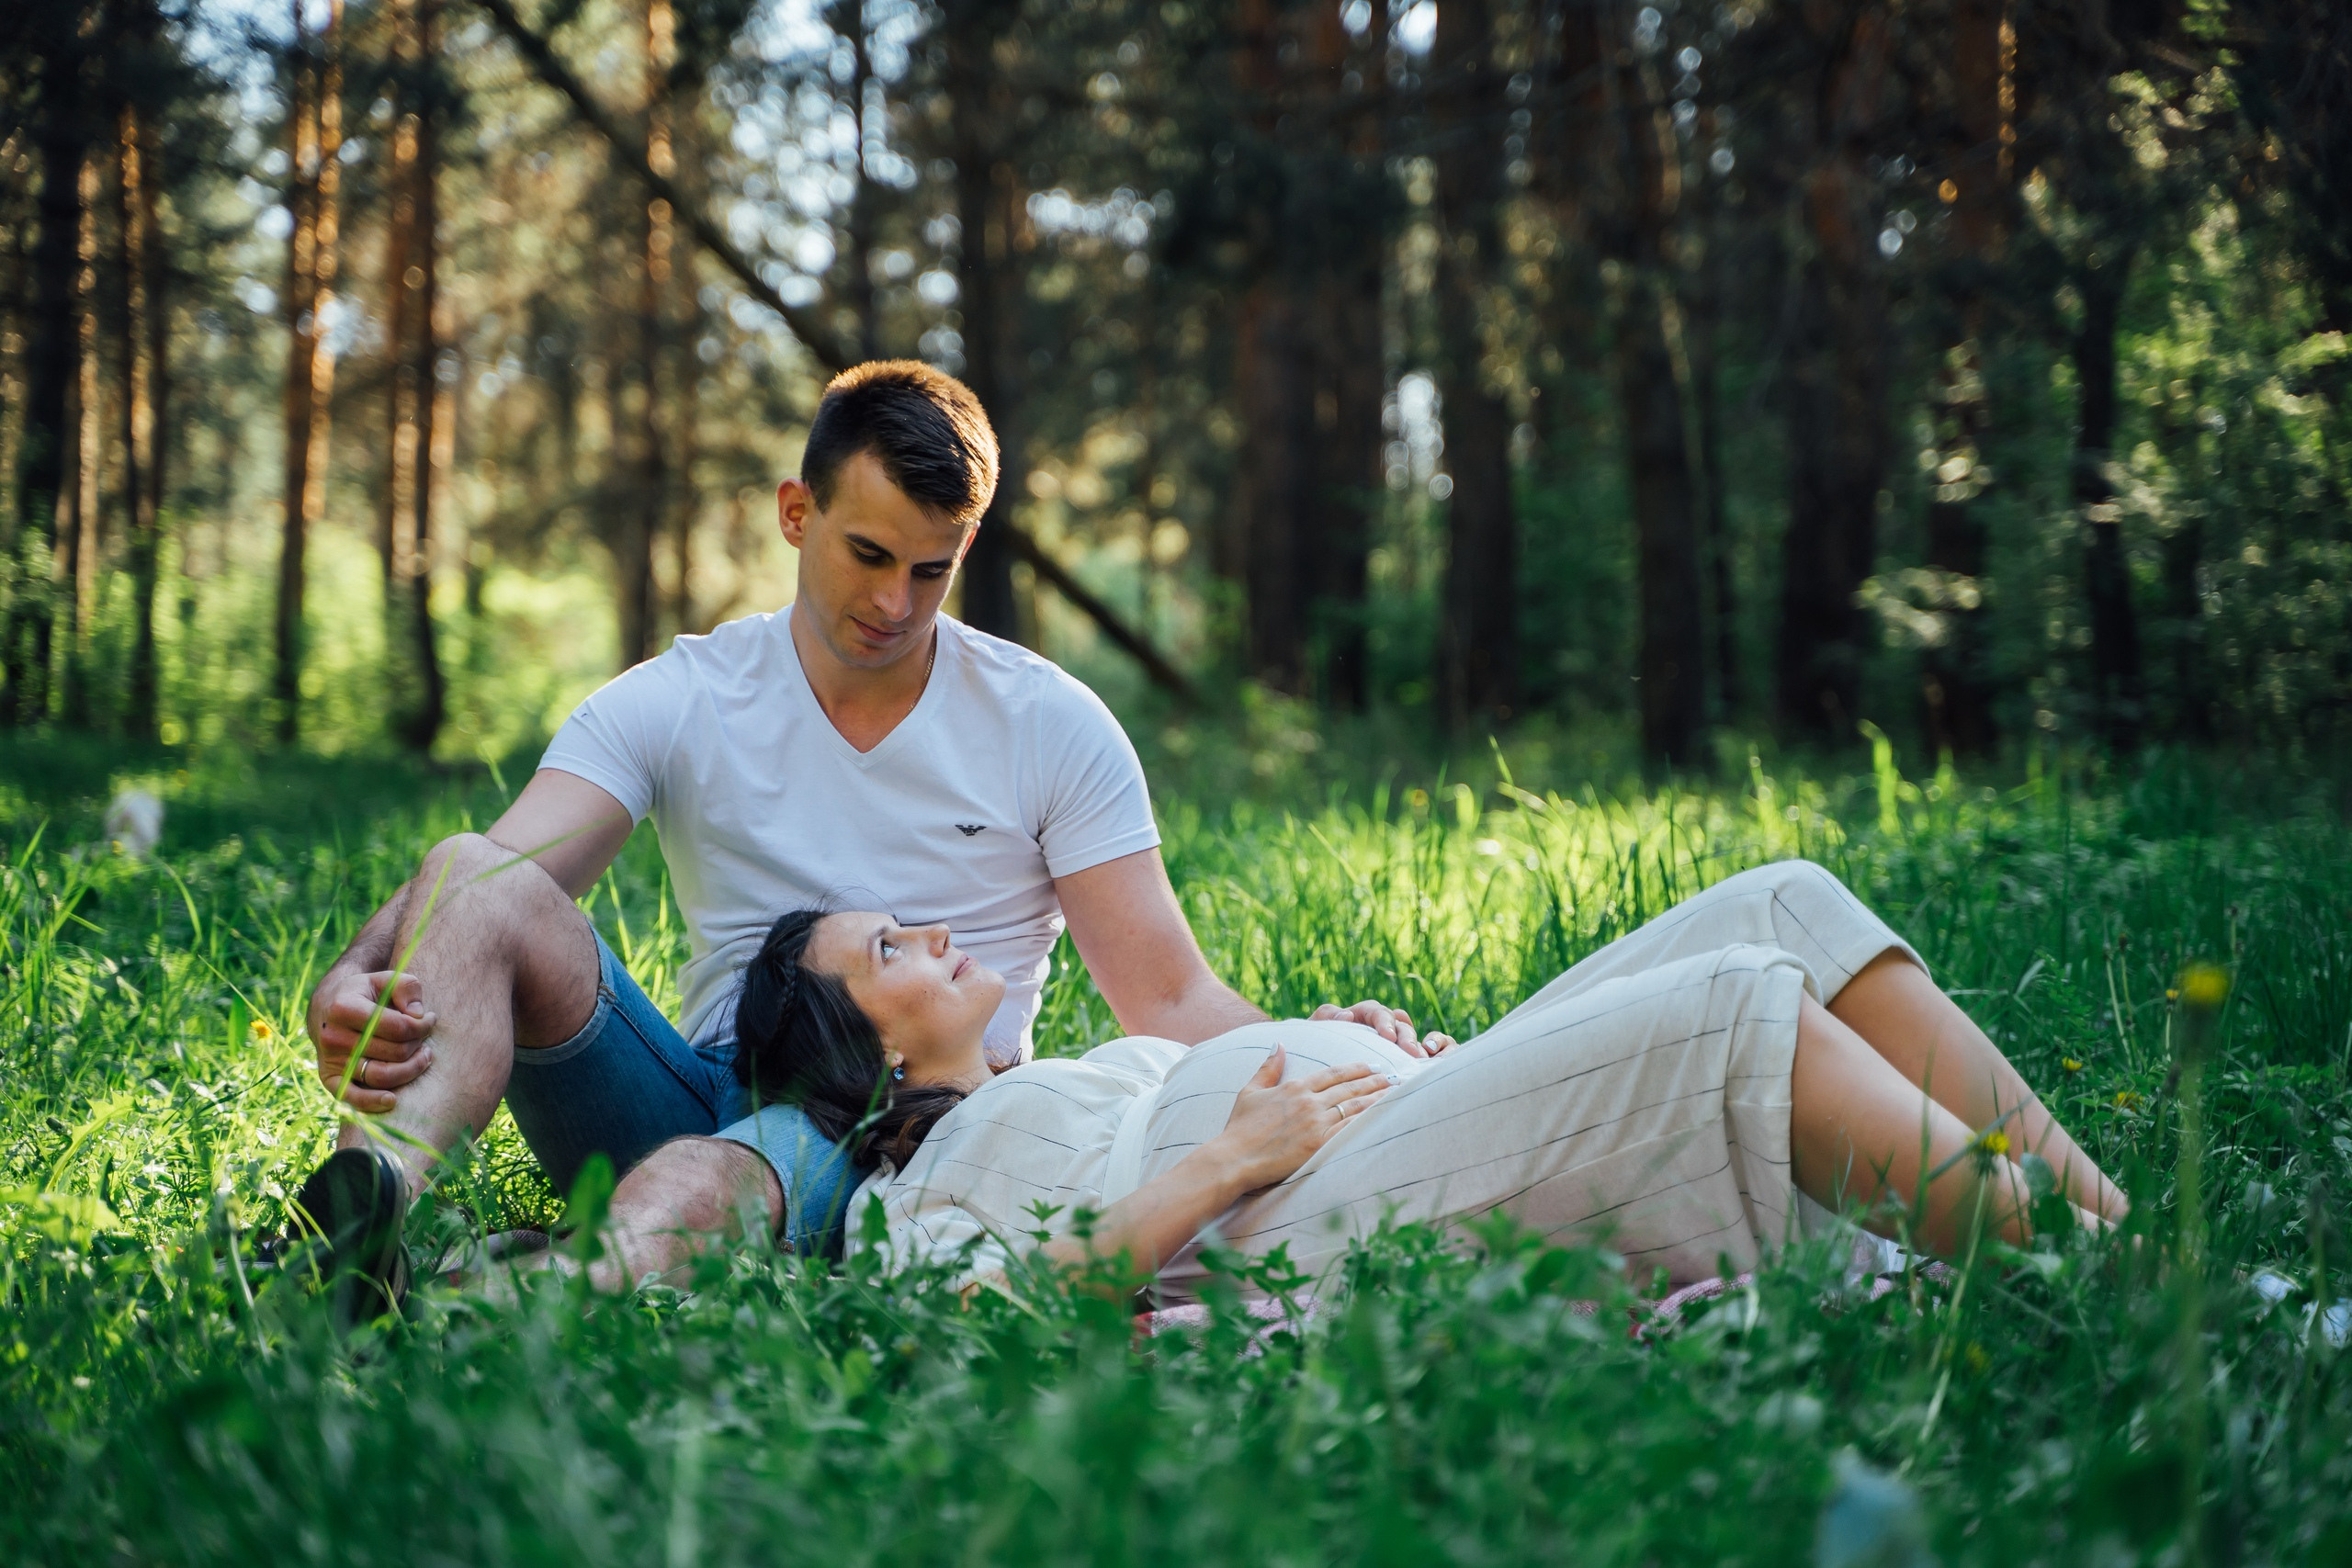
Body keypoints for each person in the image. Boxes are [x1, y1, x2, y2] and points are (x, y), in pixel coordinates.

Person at [289, 361, 1421, 1320]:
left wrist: (1318, 1040)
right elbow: (498, 874)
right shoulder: (685, 695)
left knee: (721, 1174)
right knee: (464, 872)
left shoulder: (1048, 723)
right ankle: (359, 1217)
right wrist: (361, 969)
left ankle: (544, 1288)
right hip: (691, 1087)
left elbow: (1167, 998)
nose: (896, 601)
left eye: (933, 569)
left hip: (914, 1139)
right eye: (868, 555)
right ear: (797, 514)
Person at [679, 860, 2122, 1303]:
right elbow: (985, 1321)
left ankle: (2117, 1228)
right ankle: (2088, 1287)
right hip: (1307, 1219)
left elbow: (1200, 1078)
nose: (933, 930)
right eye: (889, 947)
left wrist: (1345, 1034)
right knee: (1721, 1007)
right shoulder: (909, 1187)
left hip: (1398, 1129)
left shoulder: (1056, 1074)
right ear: (857, 1046)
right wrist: (1229, 1153)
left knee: (1786, 906)